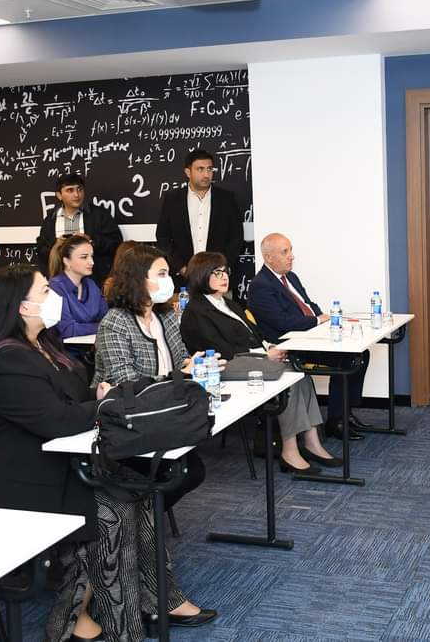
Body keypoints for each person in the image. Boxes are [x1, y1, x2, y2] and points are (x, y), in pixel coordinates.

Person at [0, 265, 215, 642]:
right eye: (44, 291)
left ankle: (153, 600)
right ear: (22, 307)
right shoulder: (4, 359)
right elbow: (58, 419)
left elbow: (71, 396)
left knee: (138, 492)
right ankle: (94, 623)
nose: (54, 297)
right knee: (114, 508)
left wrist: (96, 398)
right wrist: (105, 405)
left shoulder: (42, 343)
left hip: (42, 458)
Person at [180, 252, 341, 475]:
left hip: (250, 358)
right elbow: (218, 350)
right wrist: (264, 356)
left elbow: (255, 334)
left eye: (225, 271)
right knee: (288, 376)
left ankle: (312, 441)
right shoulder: (195, 311)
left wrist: (268, 347)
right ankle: (289, 450)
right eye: (216, 273)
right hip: (222, 366)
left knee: (299, 371)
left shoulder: (229, 304)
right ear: (201, 275)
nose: (224, 277)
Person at [93, 244, 206, 505]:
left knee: (192, 471)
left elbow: (180, 358)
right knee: (180, 473)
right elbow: (125, 382)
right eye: (161, 274)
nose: (169, 281)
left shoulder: (164, 316)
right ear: (138, 278)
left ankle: (147, 517)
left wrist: (197, 363)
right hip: (128, 421)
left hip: (164, 410)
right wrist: (179, 377)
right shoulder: (115, 322)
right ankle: (142, 518)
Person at [247, 233, 370, 442]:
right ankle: (336, 421)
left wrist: (323, 319)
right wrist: (317, 321)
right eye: (285, 252)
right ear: (268, 257)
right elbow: (282, 322)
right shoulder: (260, 286)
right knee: (348, 359)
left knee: (361, 354)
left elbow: (309, 305)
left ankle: (346, 413)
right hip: (291, 346)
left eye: (290, 250)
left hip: (309, 335)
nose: (291, 256)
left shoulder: (291, 277)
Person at [155, 149, 243, 287]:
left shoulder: (226, 199)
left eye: (209, 169)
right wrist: (182, 268)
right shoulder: (173, 200)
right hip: (183, 279)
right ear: (188, 172)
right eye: (200, 169)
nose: (206, 174)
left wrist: (221, 268)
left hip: (218, 278)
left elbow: (236, 237)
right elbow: (163, 237)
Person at [36, 173, 122, 285]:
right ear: (59, 195)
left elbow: (116, 242)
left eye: (79, 189)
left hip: (95, 281)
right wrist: (57, 246)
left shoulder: (99, 214)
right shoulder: (50, 220)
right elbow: (41, 249)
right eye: (70, 190)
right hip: (60, 283)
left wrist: (91, 240)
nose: (76, 194)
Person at [48, 234, 108, 340]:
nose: (92, 262)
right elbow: (67, 330)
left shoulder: (91, 285)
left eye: (92, 256)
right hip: (64, 349)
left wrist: (103, 326)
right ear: (66, 261)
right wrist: (101, 327)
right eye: (84, 257)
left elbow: (107, 320)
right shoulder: (56, 287)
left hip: (91, 347)